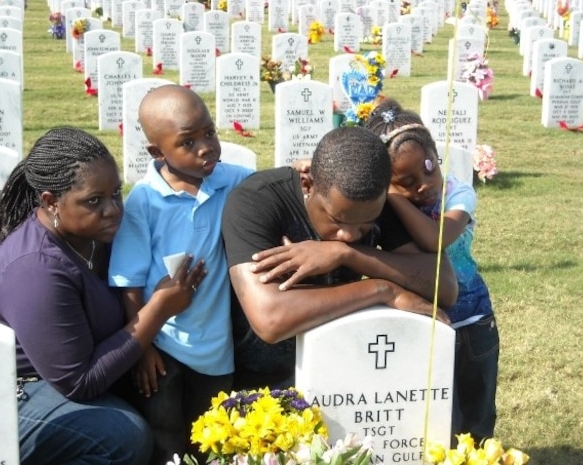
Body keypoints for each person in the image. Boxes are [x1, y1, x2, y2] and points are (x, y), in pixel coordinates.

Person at [0, 127, 206, 465]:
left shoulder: (91, 235)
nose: (113, 210)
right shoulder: (36, 269)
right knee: (121, 436)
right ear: (51, 202)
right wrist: (157, 310)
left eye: (116, 193)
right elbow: (79, 382)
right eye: (93, 201)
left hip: (57, 375)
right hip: (11, 389)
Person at [221, 126, 458, 390]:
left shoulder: (377, 201)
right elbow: (270, 319)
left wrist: (345, 254)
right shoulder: (257, 201)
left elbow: (445, 287)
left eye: (366, 225)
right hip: (260, 385)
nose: (348, 234)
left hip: (342, 374)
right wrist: (381, 289)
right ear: (307, 184)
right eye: (337, 220)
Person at [108, 85, 253, 465]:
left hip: (215, 344)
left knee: (214, 433)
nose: (206, 147)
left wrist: (301, 172)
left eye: (209, 132)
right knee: (164, 431)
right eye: (188, 142)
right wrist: (142, 347)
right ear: (158, 152)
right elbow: (128, 279)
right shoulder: (146, 200)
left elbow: (272, 192)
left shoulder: (233, 181)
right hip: (163, 345)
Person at [365, 98, 499, 442]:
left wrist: (394, 196)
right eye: (406, 180)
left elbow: (437, 240)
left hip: (471, 321)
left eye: (429, 167)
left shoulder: (459, 193)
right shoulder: (386, 209)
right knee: (437, 411)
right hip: (423, 318)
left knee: (476, 409)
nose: (423, 184)